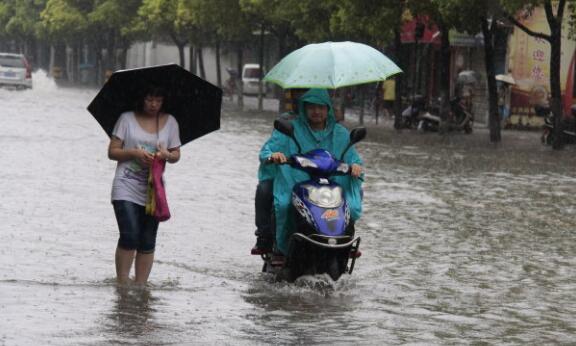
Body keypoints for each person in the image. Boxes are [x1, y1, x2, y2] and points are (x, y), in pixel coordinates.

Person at [258, 88, 364, 256]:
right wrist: (273, 155)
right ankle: (280, 246)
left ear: (328, 109)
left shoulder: (340, 133)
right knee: (284, 204)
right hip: (295, 179)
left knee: (350, 202)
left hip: (330, 184)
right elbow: (268, 150)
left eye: (321, 107)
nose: (316, 111)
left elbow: (353, 157)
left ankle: (345, 241)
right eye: (312, 107)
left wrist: (356, 166)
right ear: (304, 109)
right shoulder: (291, 129)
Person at [107, 86, 181, 284]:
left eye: (158, 100)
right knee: (130, 234)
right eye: (149, 99)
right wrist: (134, 153)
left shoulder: (171, 122)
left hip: (152, 190)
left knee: (147, 240)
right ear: (141, 99)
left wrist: (165, 155)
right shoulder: (126, 119)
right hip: (125, 186)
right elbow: (112, 151)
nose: (154, 104)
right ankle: (122, 284)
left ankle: (140, 287)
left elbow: (176, 155)